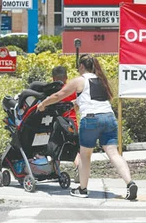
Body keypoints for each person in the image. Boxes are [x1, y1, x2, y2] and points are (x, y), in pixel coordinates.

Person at [38, 54, 138, 200]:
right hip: (109, 118)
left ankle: (83, 189)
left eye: (79, 66)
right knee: (114, 153)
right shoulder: (101, 81)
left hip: (91, 120)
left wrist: (43, 104)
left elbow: (59, 95)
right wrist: (75, 103)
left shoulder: (80, 80)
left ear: (82, 66)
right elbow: (90, 99)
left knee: (85, 156)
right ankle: (130, 183)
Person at [51, 65, 81, 182]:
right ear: (67, 77)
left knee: (55, 148)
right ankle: (79, 167)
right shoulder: (72, 90)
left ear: (53, 78)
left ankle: (55, 170)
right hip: (72, 124)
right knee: (74, 150)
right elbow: (77, 107)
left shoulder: (54, 90)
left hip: (58, 125)